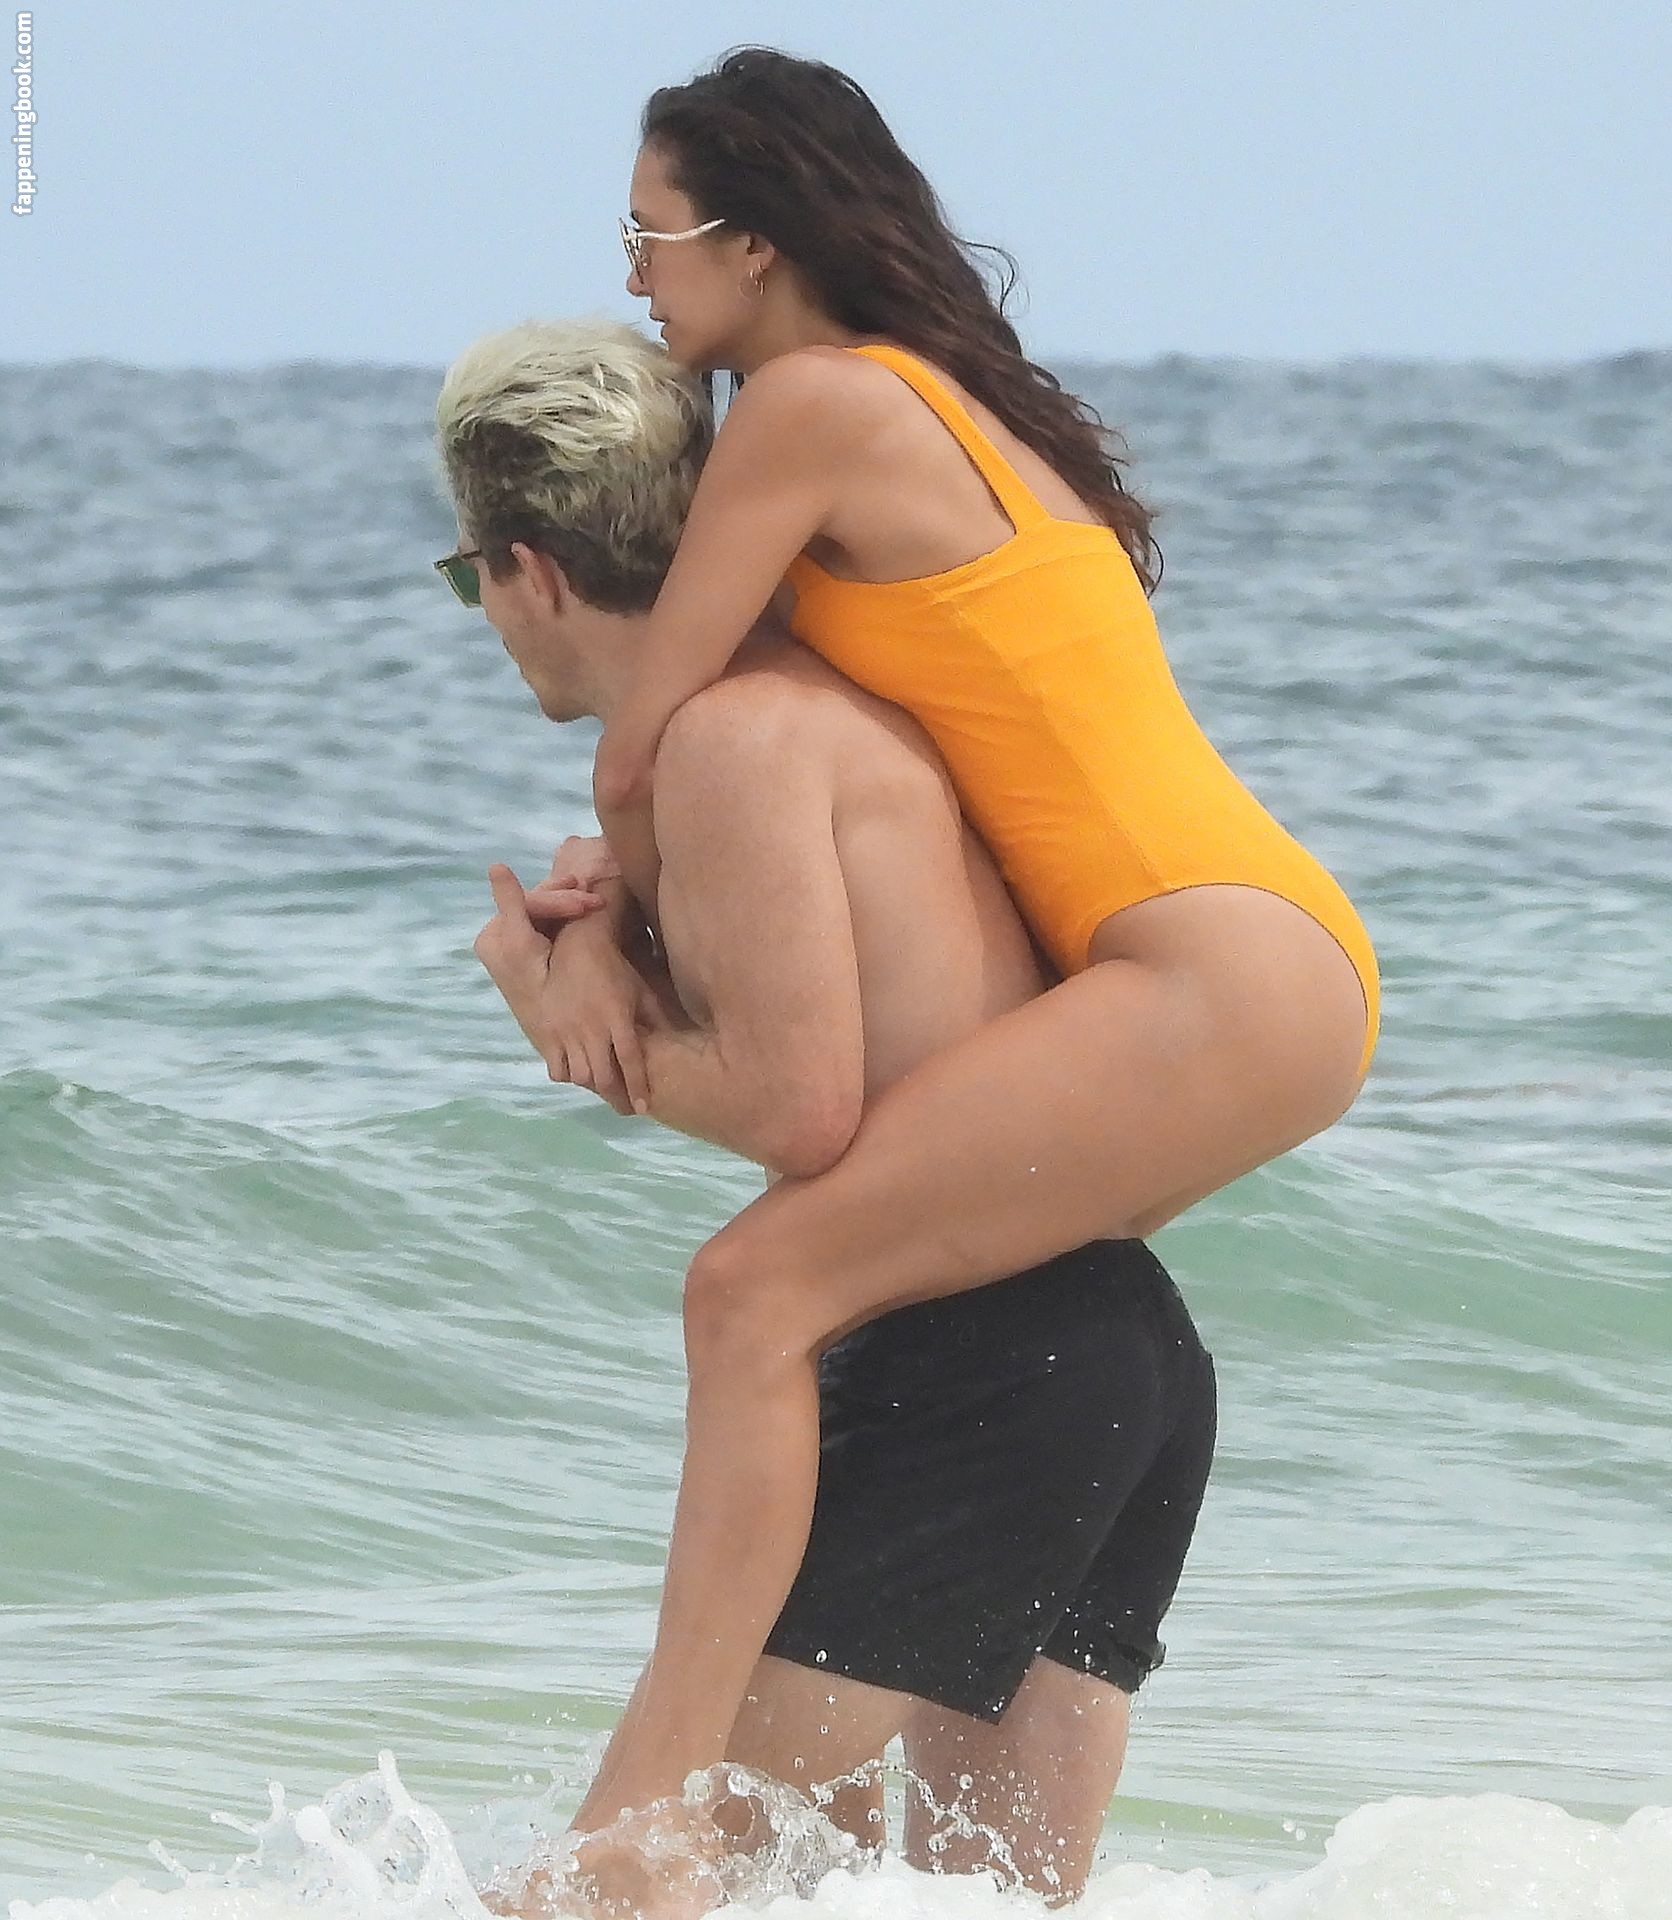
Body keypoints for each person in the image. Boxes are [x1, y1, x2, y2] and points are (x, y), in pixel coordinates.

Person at [512, 44, 1381, 1878]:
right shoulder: (946, 405)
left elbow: (645, 735)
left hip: (1203, 964)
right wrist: (621, 900)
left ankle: (640, 1825)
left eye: (650, 234)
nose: (635, 277)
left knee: (752, 1287)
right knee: (936, 1293)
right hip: (1262, 949)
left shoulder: (812, 404)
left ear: (753, 246)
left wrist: (597, 964)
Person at [437, 317, 1215, 1907]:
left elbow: (804, 1108)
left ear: (531, 570)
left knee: (618, 1889)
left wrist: (582, 1031)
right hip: (1117, 1348)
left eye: (469, 583)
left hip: (977, 1364)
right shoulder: (816, 701)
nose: (489, 618)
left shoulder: (728, 739)